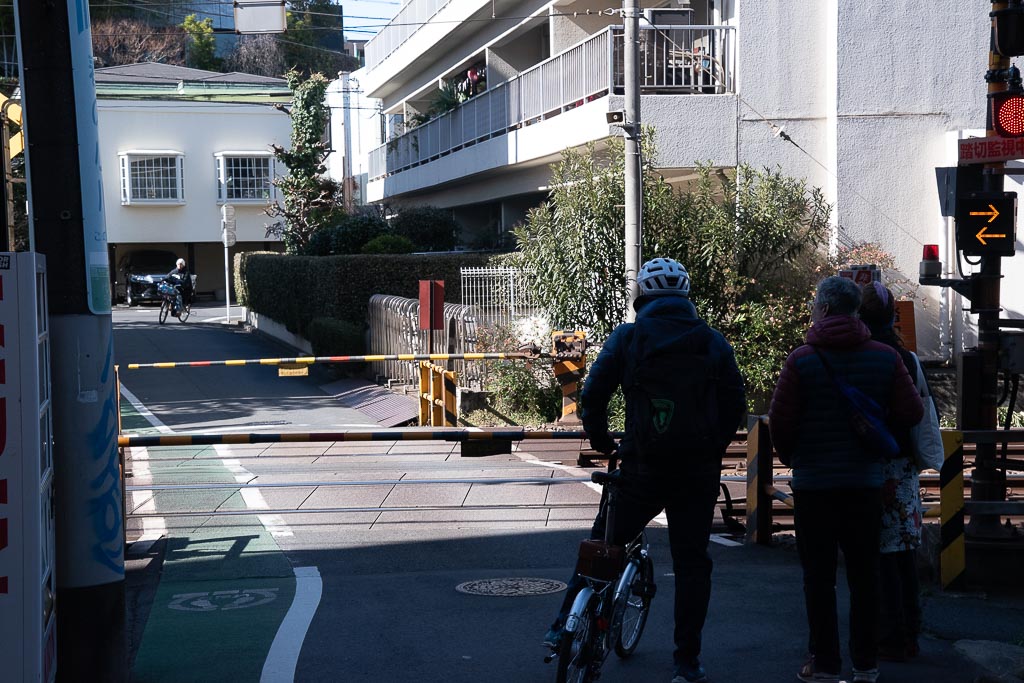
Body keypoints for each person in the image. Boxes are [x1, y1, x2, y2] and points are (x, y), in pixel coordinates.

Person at [544, 257, 746, 683]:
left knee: (604, 544)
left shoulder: (628, 337)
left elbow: (593, 394)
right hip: (695, 474)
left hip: (640, 467)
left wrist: (601, 439)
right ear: (685, 297)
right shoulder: (712, 342)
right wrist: (710, 449)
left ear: (642, 297)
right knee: (692, 564)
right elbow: (735, 409)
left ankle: (564, 626)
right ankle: (686, 661)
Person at [768, 276, 924, 683]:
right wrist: (874, 431)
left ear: (821, 308)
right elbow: (912, 413)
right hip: (864, 483)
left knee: (817, 578)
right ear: (856, 310)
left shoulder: (801, 359)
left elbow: (780, 422)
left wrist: (795, 458)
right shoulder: (886, 357)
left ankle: (823, 663)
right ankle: (866, 664)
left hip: (814, 486)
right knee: (864, 575)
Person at [859, 282, 943, 662]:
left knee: (874, 555)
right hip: (902, 468)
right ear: (892, 315)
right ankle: (908, 631)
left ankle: (885, 632)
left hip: (865, 466)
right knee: (902, 553)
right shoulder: (905, 358)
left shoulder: (857, 353)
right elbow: (923, 414)